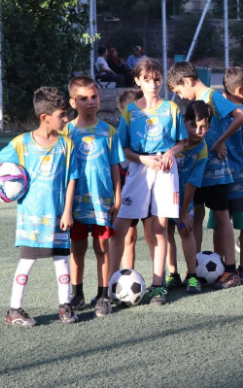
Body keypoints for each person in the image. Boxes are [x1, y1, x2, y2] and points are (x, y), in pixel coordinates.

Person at [0, 87, 80, 326]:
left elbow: (71, 178)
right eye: (62, 115)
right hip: (30, 218)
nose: (66, 119)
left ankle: (65, 307)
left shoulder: (67, 145)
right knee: (27, 261)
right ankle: (14, 309)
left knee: (62, 259)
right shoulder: (21, 143)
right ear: (45, 118)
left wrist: (67, 211)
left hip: (58, 215)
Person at [111, 58, 187, 306]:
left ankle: (158, 285)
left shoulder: (171, 109)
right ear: (137, 81)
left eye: (157, 79)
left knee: (159, 229)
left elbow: (181, 142)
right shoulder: (131, 111)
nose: (153, 84)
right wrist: (142, 158)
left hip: (166, 172)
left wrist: (169, 153)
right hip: (139, 172)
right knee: (121, 228)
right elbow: (123, 149)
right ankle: (108, 286)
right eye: (147, 79)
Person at [166, 61, 243, 289]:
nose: (181, 97)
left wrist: (220, 141)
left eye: (179, 91)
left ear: (187, 81)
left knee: (222, 217)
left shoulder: (213, 97)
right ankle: (196, 267)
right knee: (196, 218)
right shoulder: (195, 106)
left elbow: (240, 117)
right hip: (196, 172)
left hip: (217, 172)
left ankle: (231, 270)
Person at [63, 76, 124, 318]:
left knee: (102, 248)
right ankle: (76, 294)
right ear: (72, 102)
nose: (91, 102)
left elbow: (115, 169)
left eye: (94, 96)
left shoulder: (108, 131)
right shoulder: (66, 132)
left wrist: (117, 198)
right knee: (77, 249)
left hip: (102, 202)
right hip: (76, 203)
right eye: (83, 98)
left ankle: (103, 294)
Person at [205, 67, 243, 280]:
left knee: (220, 223)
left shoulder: (213, 108)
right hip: (240, 177)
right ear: (240, 90)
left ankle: (218, 263)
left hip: (216, 176)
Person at [165, 100, 210, 293]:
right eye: (193, 125)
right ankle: (172, 274)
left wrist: (184, 212)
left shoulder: (202, 150)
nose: (198, 131)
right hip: (165, 195)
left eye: (203, 127)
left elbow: (193, 182)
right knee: (166, 232)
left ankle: (191, 276)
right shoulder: (173, 140)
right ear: (185, 122)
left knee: (185, 230)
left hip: (185, 198)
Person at [115, 89, 149, 271]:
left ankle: (163, 279)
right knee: (129, 235)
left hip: (150, 182)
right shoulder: (118, 134)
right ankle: (127, 276)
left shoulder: (154, 128)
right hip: (127, 183)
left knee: (154, 233)